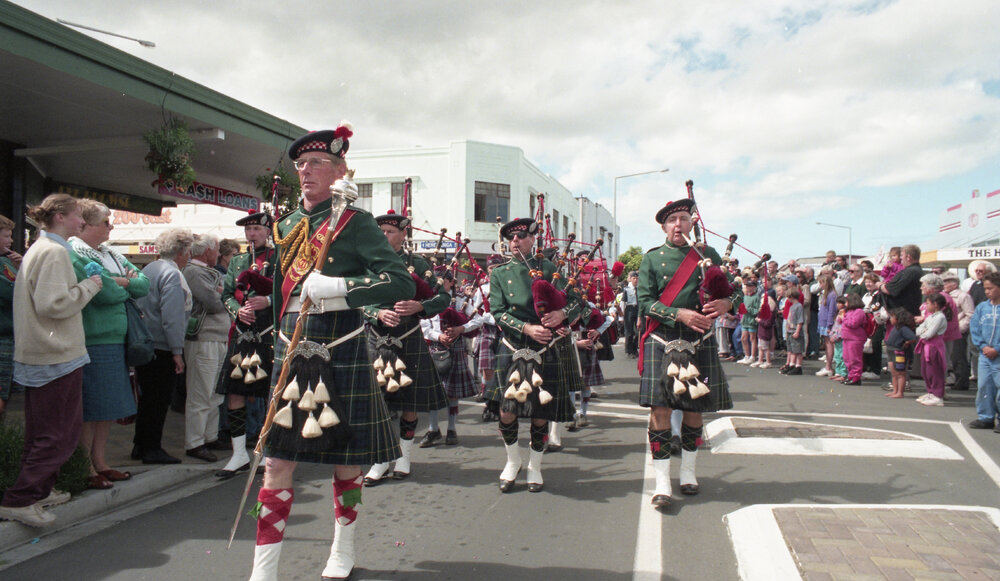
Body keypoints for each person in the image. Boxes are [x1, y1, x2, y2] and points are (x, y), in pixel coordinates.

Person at [248, 126, 415, 581]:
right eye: (301, 164)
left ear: (341, 170)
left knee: (348, 462)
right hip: (291, 347)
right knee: (277, 462)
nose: (306, 171)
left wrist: (340, 288)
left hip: (340, 348)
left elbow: (399, 282)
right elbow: (285, 295)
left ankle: (344, 544)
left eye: (318, 163)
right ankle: (264, 569)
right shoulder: (283, 226)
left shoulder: (355, 223)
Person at [0, 194, 101, 527]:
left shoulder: (39, 249)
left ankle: (37, 491)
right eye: (77, 217)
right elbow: (54, 305)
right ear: (59, 217)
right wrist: (89, 286)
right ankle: (22, 498)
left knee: (43, 431)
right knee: (58, 433)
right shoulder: (55, 252)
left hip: (41, 352)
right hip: (55, 354)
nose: (82, 223)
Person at [637, 198, 739, 508]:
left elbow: (729, 289)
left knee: (695, 410)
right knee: (660, 411)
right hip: (662, 339)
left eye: (683, 218)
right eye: (672, 221)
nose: (678, 224)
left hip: (700, 340)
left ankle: (689, 473)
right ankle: (663, 481)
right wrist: (678, 314)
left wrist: (727, 304)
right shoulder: (652, 259)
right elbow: (644, 302)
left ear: (692, 222)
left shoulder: (707, 254)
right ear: (664, 227)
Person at [486, 217, 582, 493]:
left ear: (532, 239)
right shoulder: (499, 273)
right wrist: (527, 328)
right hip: (513, 347)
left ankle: (535, 467)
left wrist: (561, 314)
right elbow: (497, 312)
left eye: (520, 237)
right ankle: (513, 461)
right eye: (511, 238)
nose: (515, 242)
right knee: (507, 411)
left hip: (545, 349)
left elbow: (577, 302)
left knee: (541, 412)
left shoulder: (551, 268)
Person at [362, 209, 450, 484]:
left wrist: (420, 305)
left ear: (403, 233)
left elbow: (444, 298)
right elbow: (354, 299)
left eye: (389, 231)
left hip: (409, 334)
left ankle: (403, 457)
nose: (384, 236)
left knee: (409, 402)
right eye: (380, 232)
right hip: (376, 338)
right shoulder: (366, 264)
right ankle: (378, 459)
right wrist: (375, 313)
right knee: (379, 403)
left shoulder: (419, 263)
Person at [69, 200, 149, 489]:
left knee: (109, 407)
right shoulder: (75, 253)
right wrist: (123, 285)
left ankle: (100, 462)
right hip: (94, 339)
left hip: (118, 339)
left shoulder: (112, 253)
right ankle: (85, 466)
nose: (111, 226)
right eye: (105, 222)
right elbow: (102, 293)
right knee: (92, 406)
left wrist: (122, 283)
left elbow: (144, 284)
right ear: (86, 225)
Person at [216, 211, 276, 479]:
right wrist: (237, 310)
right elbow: (227, 295)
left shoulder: (280, 258)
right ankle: (239, 453)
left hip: (270, 333)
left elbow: (291, 290)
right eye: (248, 229)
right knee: (236, 391)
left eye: (256, 228)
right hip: (242, 333)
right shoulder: (238, 260)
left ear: (267, 231)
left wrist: (270, 301)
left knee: (268, 394)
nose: (252, 233)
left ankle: (267, 451)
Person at [132, 228, 194, 465]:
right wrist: (177, 352)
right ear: (182, 251)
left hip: (146, 342)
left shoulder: (150, 268)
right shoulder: (172, 274)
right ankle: (152, 447)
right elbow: (173, 317)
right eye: (187, 251)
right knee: (159, 399)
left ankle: (141, 443)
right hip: (162, 345)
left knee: (147, 397)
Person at [181, 234, 229, 462]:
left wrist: (223, 292)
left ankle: (210, 436)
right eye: (216, 249)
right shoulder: (193, 271)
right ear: (207, 250)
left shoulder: (205, 272)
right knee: (201, 391)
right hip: (204, 338)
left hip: (218, 338)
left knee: (215, 391)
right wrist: (224, 293)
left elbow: (223, 296)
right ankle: (194, 442)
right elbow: (214, 302)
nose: (219, 254)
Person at [472, 254, 506, 421]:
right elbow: (474, 312)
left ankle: (499, 404)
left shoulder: (508, 286)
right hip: (488, 330)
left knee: (502, 368)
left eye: (497, 267)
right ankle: (489, 403)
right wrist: (486, 318)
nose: (494, 271)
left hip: (505, 330)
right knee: (488, 369)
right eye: (491, 268)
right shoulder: (483, 289)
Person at [968, 271, 1000, 430]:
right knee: (984, 386)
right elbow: (975, 328)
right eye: (986, 289)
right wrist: (983, 346)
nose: (987, 292)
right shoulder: (982, 307)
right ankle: (986, 417)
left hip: (998, 356)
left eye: (991, 288)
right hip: (985, 355)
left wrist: (997, 349)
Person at [0, 214, 21, 420]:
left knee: (5, 396)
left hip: (10, 338)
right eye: (6, 235)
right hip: (2, 338)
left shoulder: (6, 263)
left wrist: (21, 268)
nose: (11, 241)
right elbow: (13, 293)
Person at [915, 293, 950, 406]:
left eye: (928, 303)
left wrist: (923, 332)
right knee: (926, 371)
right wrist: (922, 332)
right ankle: (930, 391)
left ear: (935, 304)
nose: (926, 305)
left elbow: (929, 333)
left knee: (935, 371)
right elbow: (919, 329)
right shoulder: (931, 316)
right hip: (927, 346)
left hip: (934, 347)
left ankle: (938, 394)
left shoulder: (940, 317)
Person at [942, 271, 974, 391]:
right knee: (949, 356)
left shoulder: (963, 296)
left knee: (958, 356)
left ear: (954, 284)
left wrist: (961, 328)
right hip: (947, 330)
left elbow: (970, 314)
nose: (944, 284)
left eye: (946, 282)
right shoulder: (944, 296)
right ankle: (951, 378)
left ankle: (962, 381)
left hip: (958, 330)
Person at [885, 308, 917, 399]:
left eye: (892, 317)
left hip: (898, 351)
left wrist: (907, 343)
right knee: (894, 373)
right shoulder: (895, 328)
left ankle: (900, 392)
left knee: (900, 373)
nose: (890, 319)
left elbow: (913, 337)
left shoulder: (903, 328)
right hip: (891, 350)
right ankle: (895, 390)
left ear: (898, 319)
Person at [839, 294, 868, 385]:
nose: (845, 303)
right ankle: (850, 375)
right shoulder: (848, 311)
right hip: (847, 338)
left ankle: (856, 377)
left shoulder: (859, 312)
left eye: (846, 301)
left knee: (854, 358)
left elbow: (853, 323)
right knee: (847, 358)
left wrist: (843, 318)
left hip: (855, 339)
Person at [815, 275, 838, 377]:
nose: (820, 285)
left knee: (829, 344)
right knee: (827, 344)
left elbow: (831, 311)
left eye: (821, 283)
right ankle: (828, 366)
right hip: (822, 321)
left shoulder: (832, 295)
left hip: (827, 323)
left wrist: (829, 325)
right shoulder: (825, 294)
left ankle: (829, 367)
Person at [782, 288, 805, 375]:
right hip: (790, 331)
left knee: (797, 350)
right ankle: (792, 364)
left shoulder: (799, 306)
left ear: (791, 296)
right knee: (791, 349)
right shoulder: (792, 307)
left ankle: (798, 366)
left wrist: (797, 331)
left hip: (795, 330)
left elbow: (800, 320)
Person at [738, 280, 759, 365]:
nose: (748, 288)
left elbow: (757, 310)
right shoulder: (745, 296)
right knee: (743, 338)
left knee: (752, 338)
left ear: (754, 287)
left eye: (749, 286)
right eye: (747, 286)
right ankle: (746, 355)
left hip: (751, 320)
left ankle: (753, 357)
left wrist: (748, 310)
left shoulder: (756, 297)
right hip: (745, 320)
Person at [623, 271, 639, 357]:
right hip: (629, 309)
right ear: (630, 279)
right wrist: (621, 317)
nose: (636, 280)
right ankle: (629, 350)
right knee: (629, 331)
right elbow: (623, 302)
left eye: (637, 278)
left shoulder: (639, 289)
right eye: (634, 278)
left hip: (637, 309)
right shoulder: (626, 289)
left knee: (638, 331)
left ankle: (635, 349)